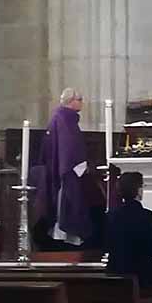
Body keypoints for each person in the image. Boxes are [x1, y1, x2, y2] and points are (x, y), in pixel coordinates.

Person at [37, 88, 93, 245]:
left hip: (65, 167)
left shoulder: (64, 117)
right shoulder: (64, 118)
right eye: (80, 99)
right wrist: (75, 164)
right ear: (71, 101)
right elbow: (68, 145)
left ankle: (67, 235)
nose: (82, 102)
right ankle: (66, 236)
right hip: (68, 170)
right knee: (68, 202)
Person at [106, 171, 152, 294]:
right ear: (138, 190)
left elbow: (105, 245)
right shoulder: (147, 216)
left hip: (116, 273)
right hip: (143, 276)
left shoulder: (110, 216)